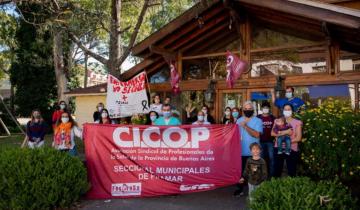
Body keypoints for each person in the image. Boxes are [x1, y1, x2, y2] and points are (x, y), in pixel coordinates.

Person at [234, 101, 263, 196]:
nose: (247, 110)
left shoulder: (258, 121)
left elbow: (257, 134)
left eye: (249, 109)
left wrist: (245, 126)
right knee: (241, 172)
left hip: (253, 152)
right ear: (243, 110)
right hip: (240, 151)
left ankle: (256, 192)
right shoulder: (238, 121)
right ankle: (240, 189)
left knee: (254, 172)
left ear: (253, 110)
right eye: (245, 109)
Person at [272, 104, 302, 177]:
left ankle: (291, 187)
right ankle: (276, 186)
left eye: (289, 109)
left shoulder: (297, 122)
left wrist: (286, 142)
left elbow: (298, 138)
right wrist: (285, 132)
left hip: (292, 148)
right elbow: (272, 133)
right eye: (285, 109)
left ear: (292, 111)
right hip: (278, 148)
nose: (287, 111)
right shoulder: (277, 121)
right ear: (283, 111)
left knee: (291, 170)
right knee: (277, 170)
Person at [257, 101, 276, 177]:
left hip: (270, 142)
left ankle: (271, 176)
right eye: (264, 107)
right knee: (261, 159)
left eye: (267, 107)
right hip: (260, 141)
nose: (265, 109)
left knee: (272, 159)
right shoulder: (258, 117)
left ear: (269, 108)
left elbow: (276, 129)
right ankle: (263, 176)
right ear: (262, 108)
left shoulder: (272, 118)